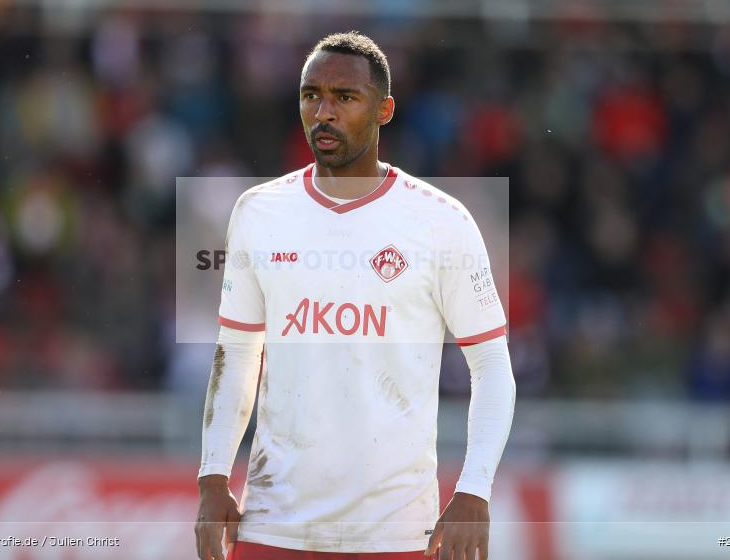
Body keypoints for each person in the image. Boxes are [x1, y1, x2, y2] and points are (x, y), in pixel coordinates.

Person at [195, 31, 515, 560]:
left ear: (384, 109)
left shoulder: (441, 222)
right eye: (310, 95)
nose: (324, 112)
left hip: (395, 532)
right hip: (274, 526)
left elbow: (491, 363)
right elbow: (237, 353)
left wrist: (474, 489)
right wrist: (212, 476)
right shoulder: (258, 213)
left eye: (345, 98)